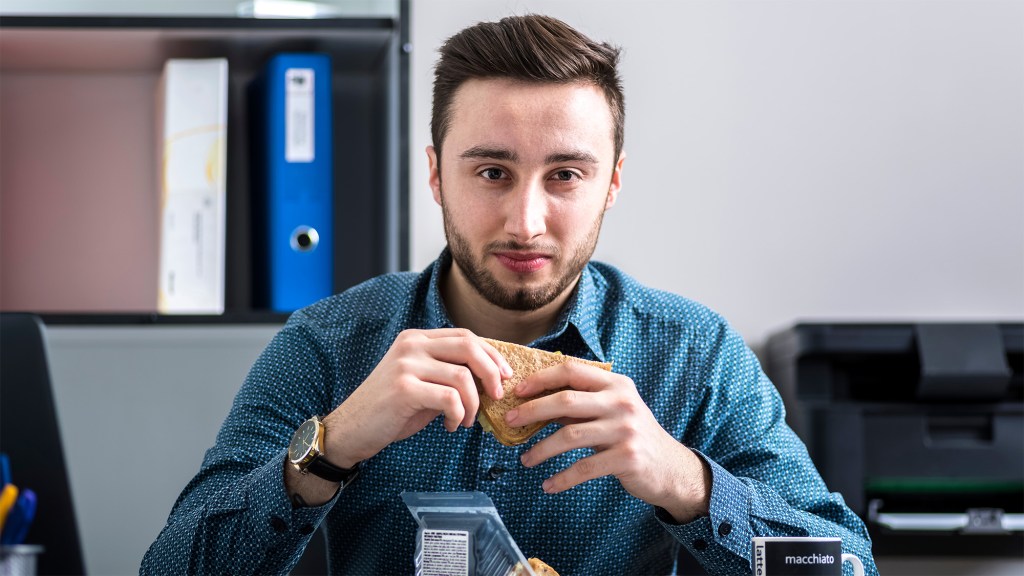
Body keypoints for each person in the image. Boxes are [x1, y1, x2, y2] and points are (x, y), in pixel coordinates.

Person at [143, 14, 877, 576]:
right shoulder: (329, 345)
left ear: (612, 183)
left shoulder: (695, 355)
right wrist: (330, 449)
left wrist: (685, 480)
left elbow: (847, 565)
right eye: (492, 172)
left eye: (566, 175)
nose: (527, 221)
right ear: (436, 176)